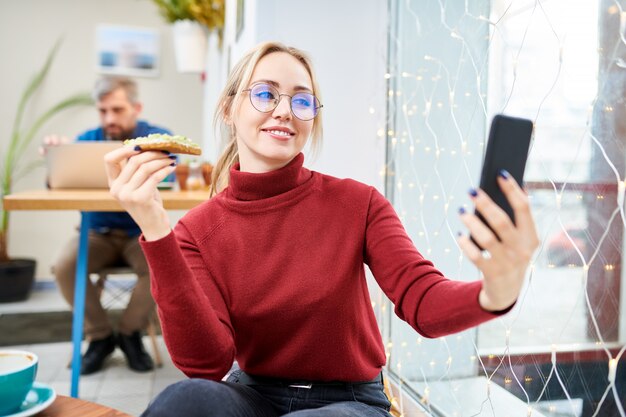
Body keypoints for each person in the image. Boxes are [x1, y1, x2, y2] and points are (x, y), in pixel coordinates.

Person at [104, 42, 539, 417]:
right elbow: (205, 363)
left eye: (301, 100)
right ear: (228, 108)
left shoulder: (359, 202)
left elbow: (421, 300)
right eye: (265, 94)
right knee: (186, 400)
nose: (283, 111)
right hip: (252, 395)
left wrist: (493, 294)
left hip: (351, 401)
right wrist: (156, 229)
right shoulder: (197, 231)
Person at [44, 76, 172, 375]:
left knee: (161, 267)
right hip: (94, 232)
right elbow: (56, 184)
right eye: (103, 111)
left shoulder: (158, 138)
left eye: (117, 109)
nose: (109, 118)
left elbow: (170, 174)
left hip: (139, 232)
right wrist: (55, 159)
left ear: (136, 107)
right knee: (63, 266)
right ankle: (100, 337)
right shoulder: (85, 140)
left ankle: (129, 334)